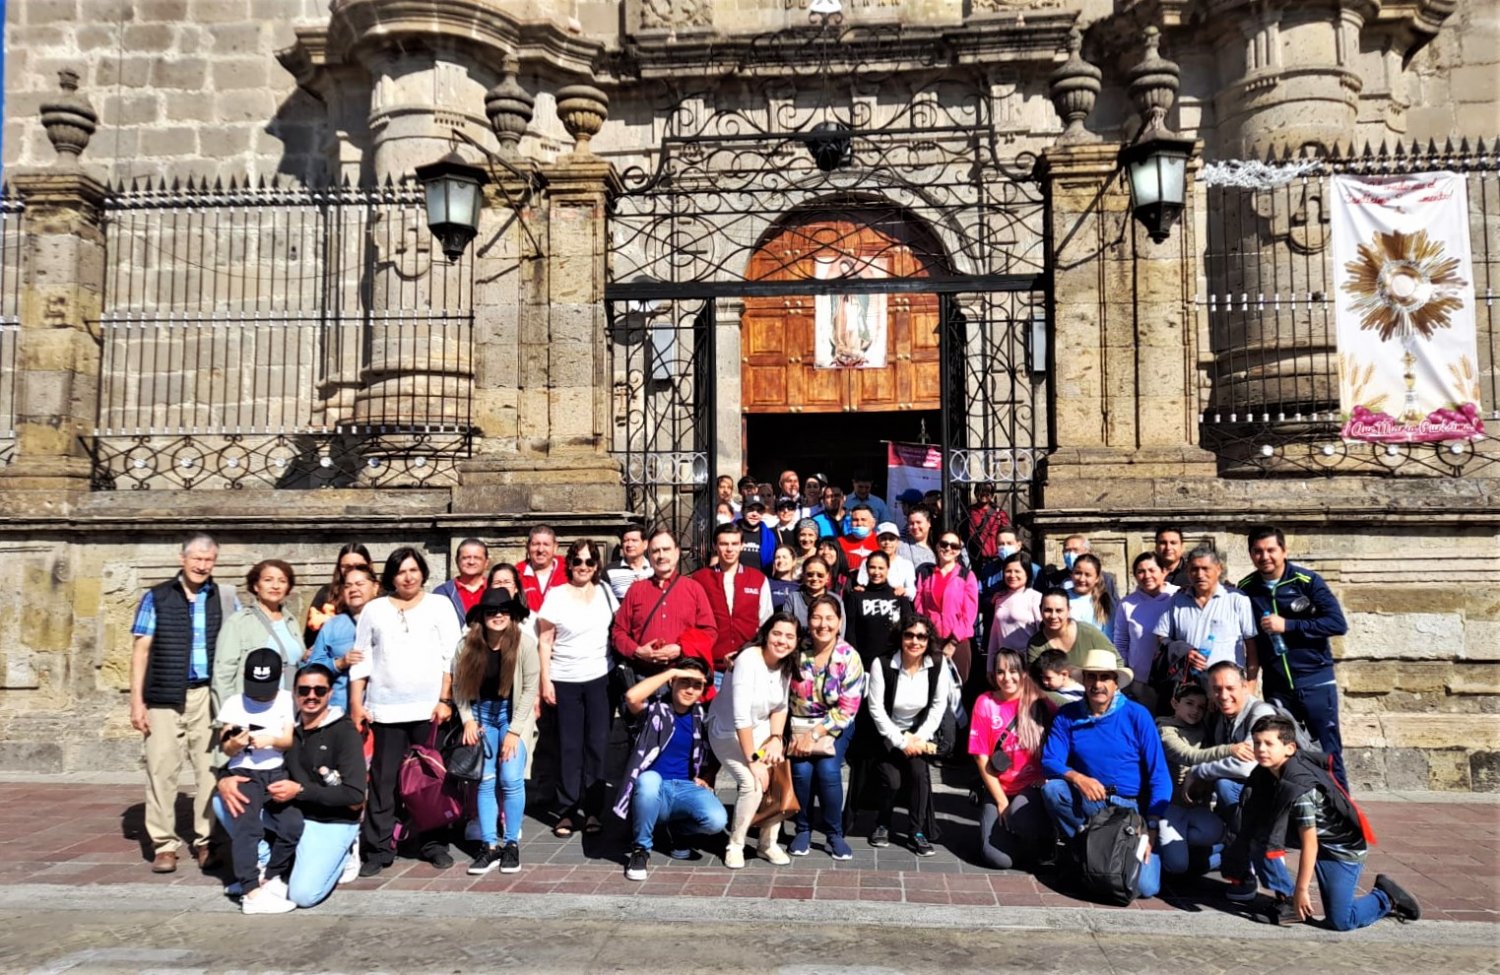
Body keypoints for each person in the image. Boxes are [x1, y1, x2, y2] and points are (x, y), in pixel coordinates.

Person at [1223, 715, 1421, 928]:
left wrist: (1302, 890)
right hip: (1315, 835)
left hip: (1340, 849)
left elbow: (1311, 844)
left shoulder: (1301, 789)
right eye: (1257, 743)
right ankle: (1288, 901)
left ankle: (1385, 897)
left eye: (1269, 743)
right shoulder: (1265, 772)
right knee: (1259, 834)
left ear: (1289, 748)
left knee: (1341, 921)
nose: (1261, 749)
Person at [349, 547, 463, 876]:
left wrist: (445, 700)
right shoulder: (374, 609)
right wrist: (358, 703)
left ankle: (433, 843)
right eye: (401, 572)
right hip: (385, 710)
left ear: (423, 573)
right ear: (392, 577)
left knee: (430, 781)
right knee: (384, 781)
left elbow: (452, 656)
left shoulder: (439, 606)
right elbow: (362, 658)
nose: (408, 577)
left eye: (413, 570)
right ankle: (379, 847)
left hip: (429, 710)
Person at [130, 533, 236, 873]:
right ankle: (164, 844)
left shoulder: (223, 597)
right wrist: (136, 701)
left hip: (206, 695)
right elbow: (140, 650)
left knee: (209, 770)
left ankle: (207, 840)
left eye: (209, 560)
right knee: (161, 769)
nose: (203, 566)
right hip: (163, 695)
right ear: (182, 559)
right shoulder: (157, 597)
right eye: (197, 559)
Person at [1040, 648, 1170, 899]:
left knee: (1145, 888)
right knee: (1053, 789)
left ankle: (1097, 854)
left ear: (1115, 682)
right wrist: (1077, 777)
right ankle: (1086, 848)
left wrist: (1151, 825)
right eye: (1091, 677)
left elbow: (1159, 776)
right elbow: (1049, 760)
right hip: (1092, 798)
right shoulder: (1068, 715)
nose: (1097, 684)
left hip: (1128, 806)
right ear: (1084, 680)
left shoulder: (1137, 715)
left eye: (1104, 678)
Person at [1238, 525, 1351, 787]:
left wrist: (1288, 625)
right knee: (1286, 751)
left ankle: (1343, 814)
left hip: (1315, 680)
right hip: (1279, 686)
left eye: (1271, 550)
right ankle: (1302, 813)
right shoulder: (1247, 588)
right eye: (1257, 551)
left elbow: (1336, 623)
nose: (1265, 556)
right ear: (1251, 554)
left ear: (1284, 550)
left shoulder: (1307, 581)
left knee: (1328, 750)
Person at [448, 588, 538, 875]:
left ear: (512, 615)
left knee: (511, 779)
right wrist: (467, 720)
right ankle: (489, 846)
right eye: (491, 611)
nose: (498, 615)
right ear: (482, 616)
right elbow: (459, 687)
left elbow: (528, 689)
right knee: (485, 781)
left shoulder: (524, 643)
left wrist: (514, 731)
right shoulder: (467, 645)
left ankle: (511, 843)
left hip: (512, 717)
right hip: (481, 716)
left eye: (503, 611)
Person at [617, 659, 728, 880]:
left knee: (717, 820)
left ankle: (679, 831)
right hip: (653, 789)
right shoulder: (653, 710)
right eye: (684, 682)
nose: (689, 689)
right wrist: (672, 671)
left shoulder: (702, 717)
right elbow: (631, 697)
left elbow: (717, 751)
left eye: (696, 685)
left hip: (685, 787)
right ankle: (641, 850)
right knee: (648, 780)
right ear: (673, 682)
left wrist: (707, 777)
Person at [537, 538, 617, 837]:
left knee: (597, 746)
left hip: (600, 677)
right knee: (569, 748)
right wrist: (546, 680)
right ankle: (567, 810)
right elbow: (545, 642)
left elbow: (617, 630)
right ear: (569, 563)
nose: (584, 566)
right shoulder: (557, 596)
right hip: (565, 678)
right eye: (578, 561)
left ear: (597, 565)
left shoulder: (606, 592)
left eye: (590, 561)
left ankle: (594, 810)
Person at [707, 613, 797, 869]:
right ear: (766, 633)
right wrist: (754, 761)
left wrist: (776, 739)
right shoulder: (748, 660)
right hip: (728, 732)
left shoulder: (786, 663)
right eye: (777, 633)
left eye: (789, 636)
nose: (782, 641)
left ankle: (768, 843)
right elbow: (740, 717)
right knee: (752, 783)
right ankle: (735, 844)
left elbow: (780, 706)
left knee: (777, 772)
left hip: (760, 729)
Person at [214, 648, 298, 914]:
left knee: (292, 824)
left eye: (266, 688)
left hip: (275, 772)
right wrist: (235, 743)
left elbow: (287, 740)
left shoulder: (286, 700)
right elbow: (225, 745)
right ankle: (250, 890)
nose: (260, 695)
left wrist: (270, 740)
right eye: (255, 688)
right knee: (247, 829)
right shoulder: (234, 703)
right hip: (245, 773)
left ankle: (269, 876)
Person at [865, 612, 951, 855]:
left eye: (922, 637)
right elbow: (876, 709)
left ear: (928, 639)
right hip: (886, 732)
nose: (915, 641)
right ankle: (882, 822)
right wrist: (901, 741)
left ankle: (917, 831)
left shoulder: (937, 663)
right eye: (909, 635)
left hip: (918, 732)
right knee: (892, 781)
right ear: (901, 637)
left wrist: (919, 737)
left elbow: (938, 705)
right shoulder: (882, 664)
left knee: (919, 775)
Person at [787, 595, 864, 860]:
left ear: (839, 622)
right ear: (808, 621)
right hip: (797, 725)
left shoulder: (849, 657)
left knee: (828, 770)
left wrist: (816, 734)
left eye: (829, 618)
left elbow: (848, 708)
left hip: (835, 725)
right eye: (817, 618)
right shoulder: (796, 651)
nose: (823, 624)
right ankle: (803, 828)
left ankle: (834, 834)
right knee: (801, 770)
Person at [969, 647, 1055, 871]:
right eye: (1000, 672)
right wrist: (1000, 800)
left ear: (1024, 673)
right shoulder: (985, 703)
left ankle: (1041, 840)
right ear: (993, 675)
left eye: (1013, 671)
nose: (1007, 678)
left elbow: (1061, 739)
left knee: (1019, 815)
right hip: (999, 786)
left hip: (1031, 786)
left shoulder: (1040, 702)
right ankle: (1013, 838)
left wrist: (1049, 777)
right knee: (998, 859)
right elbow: (981, 758)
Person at [610, 528, 718, 680]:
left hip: (682, 676)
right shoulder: (636, 589)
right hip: (643, 677)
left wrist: (681, 649)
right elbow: (618, 632)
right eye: (655, 551)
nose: (661, 556)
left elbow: (710, 632)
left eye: (666, 549)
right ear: (650, 555)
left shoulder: (694, 589)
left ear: (677, 552)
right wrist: (637, 651)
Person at [1182, 662, 1279, 822]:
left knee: (1224, 784)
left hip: (1272, 791)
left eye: (1230, 688)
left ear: (1245, 687)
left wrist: (1197, 771)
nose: (1224, 696)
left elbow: (1246, 766)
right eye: (1217, 689)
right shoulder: (1219, 717)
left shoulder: (1261, 713)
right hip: (1249, 787)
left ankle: (1245, 839)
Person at [1155, 681, 1232, 877]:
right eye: (1189, 703)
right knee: (1177, 866)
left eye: (1201, 707)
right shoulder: (1165, 729)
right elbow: (1187, 754)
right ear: (1174, 703)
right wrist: (1230, 751)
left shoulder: (1203, 729)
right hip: (1169, 806)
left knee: (1216, 832)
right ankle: (1159, 844)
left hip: (1195, 808)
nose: (1195, 711)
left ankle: (1179, 849)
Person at [1154, 545, 1258, 681]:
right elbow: (1162, 636)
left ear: (1218, 569)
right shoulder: (1177, 600)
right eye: (1194, 569)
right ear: (1187, 571)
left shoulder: (1237, 599)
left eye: (1205, 569)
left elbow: (1251, 644)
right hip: (1190, 686)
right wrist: (1184, 652)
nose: (1200, 574)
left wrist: (1250, 683)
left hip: (1228, 685)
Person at [693, 522, 774, 682]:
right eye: (724, 544)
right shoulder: (700, 579)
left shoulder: (757, 579)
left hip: (748, 665)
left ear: (742, 545)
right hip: (711, 667)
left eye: (734, 544)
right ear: (715, 546)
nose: (729, 549)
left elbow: (766, 622)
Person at [213, 559, 300, 707]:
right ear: (256, 586)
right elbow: (223, 674)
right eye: (268, 580)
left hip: (288, 710)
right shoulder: (239, 622)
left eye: (282, 581)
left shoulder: (291, 622)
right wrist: (227, 718)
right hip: (252, 708)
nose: (275, 586)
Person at [1111, 552, 1179, 713]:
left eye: (1151, 570)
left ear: (1164, 571)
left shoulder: (1178, 596)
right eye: (1140, 571)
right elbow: (1121, 641)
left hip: (1175, 679)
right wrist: (1124, 677)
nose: (1146, 575)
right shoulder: (1127, 603)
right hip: (1141, 683)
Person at [307, 563, 379, 711]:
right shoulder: (332, 626)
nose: (354, 589)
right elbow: (313, 666)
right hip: (340, 711)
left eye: (360, 584)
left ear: (375, 587)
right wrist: (340, 663)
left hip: (380, 709)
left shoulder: (388, 619)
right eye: (347, 586)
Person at [912, 530, 980, 685]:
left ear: (958, 551)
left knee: (958, 687)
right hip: (931, 639)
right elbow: (919, 606)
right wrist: (927, 633)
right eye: (944, 544)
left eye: (954, 546)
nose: (948, 548)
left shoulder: (966, 575)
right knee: (931, 685)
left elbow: (969, 613)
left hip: (958, 641)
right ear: (937, 546)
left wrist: (953, 642)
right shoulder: (926, 574)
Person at [843, 551, 911, 668]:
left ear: (888, 569)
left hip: (893, 662)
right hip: (863, 663)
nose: (876, 572)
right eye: (872, 567)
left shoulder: (899, 596)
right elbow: (850, 631)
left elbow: (908, 627)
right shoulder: (856, 596)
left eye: (881, 568)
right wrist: (854, 660)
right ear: (866, 569)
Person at [1025, 589, 1119, 672]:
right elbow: (1035, 682)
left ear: (1068, 610)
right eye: (1048, 610)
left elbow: (1117, 661)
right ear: (1040, 610)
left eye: (1059, 610)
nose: (1053, 616)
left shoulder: (1088, 633)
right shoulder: (1035, 645)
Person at [303, 543, 372, 646]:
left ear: (369, 565)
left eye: (359, 566)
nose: (353, 570)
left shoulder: (381, 595)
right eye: (347, 566)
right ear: (339, 567)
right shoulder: (326, 593)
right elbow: (310, 636)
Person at [985, 551, 1043, 669]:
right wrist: (990, 666)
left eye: (1017, 571)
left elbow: (1041, 633)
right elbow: (994, 636)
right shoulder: (999, 598)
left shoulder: (1036, 597)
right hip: (1004, 663)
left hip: (1027, 663)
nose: (1012, 575)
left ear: (1027, 574)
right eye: (1008, 571)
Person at [1040, 534, 1119, 604]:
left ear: (1087, 552)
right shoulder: (1053, 579)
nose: (1071, 554)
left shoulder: (1105, 579)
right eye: (1067, 550)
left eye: (1076, 550)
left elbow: (1114, 606)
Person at [783, 556, 845, 639]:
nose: (815, 578)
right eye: (810, 574)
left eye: (820, 575)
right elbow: (786, 628)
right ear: (803, 575)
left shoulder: (836, 600)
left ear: (828, 577)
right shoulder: (793, 598)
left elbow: (840, 631)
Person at [433, 538, 489, 625]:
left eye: (477, 558)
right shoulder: (442, 593)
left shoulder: (494, 589)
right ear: (457, 561)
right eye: (465, 558)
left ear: (486, 562)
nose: (471, 562)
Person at [856, 522, 915, 596]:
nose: (887, 542)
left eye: (891, 539)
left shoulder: (906, 564)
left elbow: (912, 591)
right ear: (877, 541)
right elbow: (862, 585)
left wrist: (904, 591)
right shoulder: (867, 562)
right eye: (883, 539)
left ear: (897, 542)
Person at [1066, 553, 1115, 640]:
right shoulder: (1061, 597)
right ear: (1071, 574)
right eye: (1078, 573)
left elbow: (1110, 637)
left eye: (1087, 575)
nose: (1081, 579)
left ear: (1097, 578)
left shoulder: (1105, 601)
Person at [519, 525, 567, 613]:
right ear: (527, 547)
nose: (540, 550)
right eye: (536, 544)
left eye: (546, 544)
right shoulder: (517, 575)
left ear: (555, 547)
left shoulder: (568, 572)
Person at [962, 482, 1009, 563]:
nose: (984, 494)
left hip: (997, 557)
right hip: (976, 558)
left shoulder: (999, 513)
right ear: (975, 493)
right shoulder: (968, 512)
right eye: (981, 491)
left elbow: (1007, 532)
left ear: (992, 495)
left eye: (987, 492)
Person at [735, 496, 777, 572]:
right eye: (750, 509)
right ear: (742, 511)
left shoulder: (770, 537)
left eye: (759, 511)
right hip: (734, 580)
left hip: (760, 581)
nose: (755, 514)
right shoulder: (730, 532)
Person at [836, 504, 881, 571]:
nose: (859, 523)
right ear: (850, 523)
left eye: (863, 520)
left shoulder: (881, 542)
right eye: (855, 520)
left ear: (873, 523)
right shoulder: (839, 542)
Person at [898, 505, 936, 571]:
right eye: (911, 523)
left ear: (929, 523)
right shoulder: (899, 545)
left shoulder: (938, 547)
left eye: (918, 522)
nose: (915, 526)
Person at [767, 544, 800, 612]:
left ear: (794, 561)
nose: (781, 560)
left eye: (784, 557)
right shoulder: (767, 584)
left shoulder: (800, 586)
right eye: (777, 557)